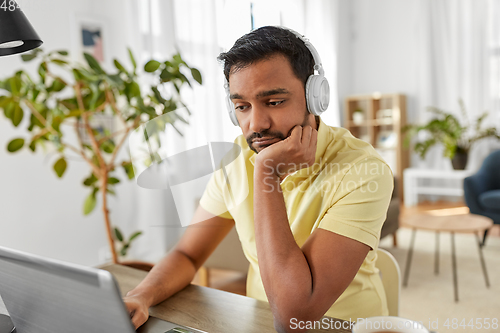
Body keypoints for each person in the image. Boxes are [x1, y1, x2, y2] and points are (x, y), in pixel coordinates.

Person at [124, 26, 393, 333]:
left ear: (314, 97)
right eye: (242, 107)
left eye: (274, 101)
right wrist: (141, 296)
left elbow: (296, 317)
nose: (256, 123)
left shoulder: (363, 169)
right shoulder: (236, 159)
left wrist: (267, 173)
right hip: (260, 324)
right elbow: (187, 254)